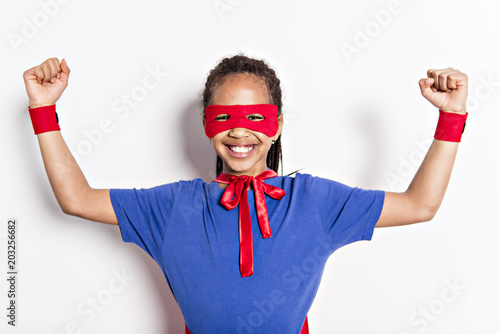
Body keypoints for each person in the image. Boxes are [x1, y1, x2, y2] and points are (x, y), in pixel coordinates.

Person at [23, 55, 468, 333]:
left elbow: (419, 205)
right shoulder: (172, 206)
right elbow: (77, 198)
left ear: (274, 127)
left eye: (255, 117)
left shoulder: (314, 201)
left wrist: (451, 118)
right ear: (206, 126)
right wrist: (43, 109)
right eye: (224, 118)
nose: (239, 131)